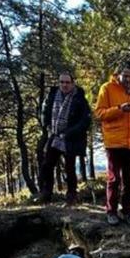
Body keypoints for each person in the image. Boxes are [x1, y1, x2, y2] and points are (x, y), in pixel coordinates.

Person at [94, 63, 130, 225]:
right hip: (114, 141)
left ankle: (128, 212)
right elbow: (99, 113)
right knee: (114, 178)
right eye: (125, 75)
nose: (128, 79)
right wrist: (119, 109)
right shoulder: (107, 88)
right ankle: (111, 211)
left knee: (129, 180)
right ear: (119, 75)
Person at [39, 72, 91, 206]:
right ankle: (46, 194)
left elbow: (85, 120)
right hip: (55, 135)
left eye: (67, 82)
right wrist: (47, 124)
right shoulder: (52, 96)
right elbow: (45, 111)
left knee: (70, 168)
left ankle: (71, 196)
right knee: (47, 165)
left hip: (71, 138)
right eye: (62, 82)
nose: (64, 85)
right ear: (59, 83)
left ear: (72, 83)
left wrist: (71, 132)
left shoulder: (79, 98)